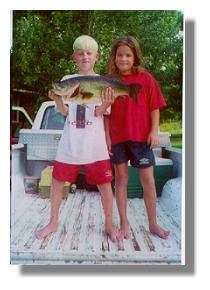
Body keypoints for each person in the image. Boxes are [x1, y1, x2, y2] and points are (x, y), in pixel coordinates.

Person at [35, 35, 120, 242]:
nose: (84, 56)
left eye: (89, 53)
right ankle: (53, 222)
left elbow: (99, 112)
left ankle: (109, 225)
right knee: (56, 182)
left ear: (96, 57)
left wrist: (107, 103)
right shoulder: (67, 80)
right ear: (74, 57)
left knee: (105, 184)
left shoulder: (102, 82)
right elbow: (64, 111)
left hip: (95, 144)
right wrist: (57, 99)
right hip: (70, 142)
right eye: (80, 53)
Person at [105, 36, 170, 240]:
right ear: (114, 57)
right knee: (121, 180)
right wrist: (107, 138)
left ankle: (153, 224)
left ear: (135, 57)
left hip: (142, 138)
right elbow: (105, 114)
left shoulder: (146, 79)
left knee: (148, 181)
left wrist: (154, 130)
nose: (123, 59)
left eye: (128, 55)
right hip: (118, 138)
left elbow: (155, 106)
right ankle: (124, 223)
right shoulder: (108, 81)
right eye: (120, 55)